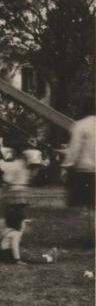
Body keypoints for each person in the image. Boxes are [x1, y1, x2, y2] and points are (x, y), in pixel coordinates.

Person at [61, 92, 96, 248]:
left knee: (90, 206)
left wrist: (66, 166)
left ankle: (91, 237)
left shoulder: (80, 126)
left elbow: (74, 150)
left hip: (86, 170)